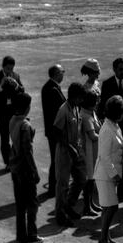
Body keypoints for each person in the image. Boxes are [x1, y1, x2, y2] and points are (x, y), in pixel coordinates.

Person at [8, 92, 42, 243]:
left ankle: (21, 236)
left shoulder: (13, 120)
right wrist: (34, 171)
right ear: (27, 107)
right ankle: (32, 235)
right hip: (25, 169)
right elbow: (28, 151)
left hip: (15, 167)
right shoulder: (25, 126)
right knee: (32, 203)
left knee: (20, 205)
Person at [94, 95, 123, 243]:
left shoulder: (114, 125)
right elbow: (104, 156)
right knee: (111, 207)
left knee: (108, 207)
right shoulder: (107, 129)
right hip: (106, 175)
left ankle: (106, 238)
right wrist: (115, 174)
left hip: (109, 174)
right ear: (116, 112)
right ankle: (103, 239)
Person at [52, 82, 86, 227]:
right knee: (62, 184)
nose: (82, 100)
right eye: (80, 97)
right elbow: (56, 132)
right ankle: (60, 215)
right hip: (65, 152)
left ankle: (69, 205)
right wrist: (69, 147)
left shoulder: (76, 108)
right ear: (75, 97)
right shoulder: (63, 110)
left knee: (80, 179)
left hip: (76, 151)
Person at [0, 56, 25, 168]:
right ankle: (8, 162)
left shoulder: (15, 76)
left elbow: (22, 90)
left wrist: (17, 85)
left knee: (15, 136)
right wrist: (0, 86)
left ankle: (15, 158)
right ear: (3, 67)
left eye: (12, 68)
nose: (10, 71)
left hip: (13, 111)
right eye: (8, 68)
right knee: (4, 138)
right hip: (1, 112)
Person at [40, 64, 65, 196]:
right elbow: (60, 110)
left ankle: (53, 187)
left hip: (52, 131)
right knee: (56, 160)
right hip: (55, 131)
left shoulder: (50, 87)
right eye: (62, 72)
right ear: (56, 73)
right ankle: (53, 188)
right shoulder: (52, 89)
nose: (63, 74)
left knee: (56, 159)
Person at [80, 90, 101, 217]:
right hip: (88, 153)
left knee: (91, 180)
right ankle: (87, 207)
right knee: (88, 181)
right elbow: (93, 136)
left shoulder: (91, 113)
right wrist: (105, 135)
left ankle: (91, 203)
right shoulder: (86, 116)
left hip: (94, 151)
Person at [98, 58, 123, 127]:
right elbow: (103, 102)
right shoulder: (107, 84)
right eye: (121, 69)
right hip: (114, 121)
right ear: (114, 69)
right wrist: (101, 118)